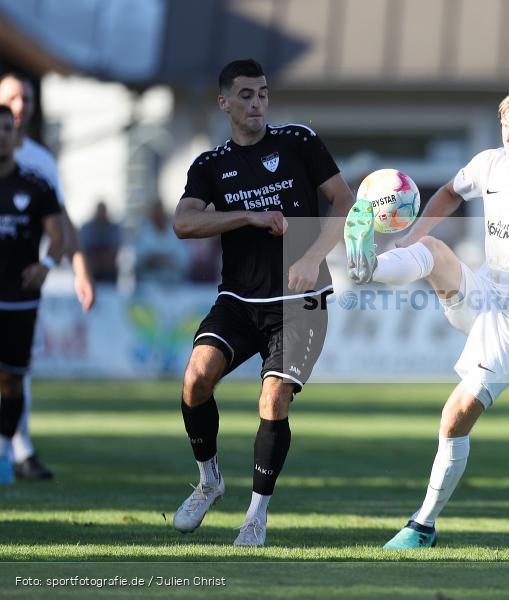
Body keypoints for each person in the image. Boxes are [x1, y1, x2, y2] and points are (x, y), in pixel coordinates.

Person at [345, 83, 509, 549]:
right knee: (431, 248)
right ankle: (368, 264)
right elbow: (451, 193)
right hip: (484, 293)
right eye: (506, 128)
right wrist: (412, 235)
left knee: (454, 418)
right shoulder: (490, 163)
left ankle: (422, 525)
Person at [171, 58, 354, 546]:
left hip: (302, 299)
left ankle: (255, 515)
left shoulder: (298, 141)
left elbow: (344, 200)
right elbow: (184, 223)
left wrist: (313, 256)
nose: (257, 103)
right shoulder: (210, 165)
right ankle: (209, 481)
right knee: (195, 378)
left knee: (273, 399)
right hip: (239, 299)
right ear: (224, 102)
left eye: (264, 94)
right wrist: (246, 217)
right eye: (247, 95)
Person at [0, 71, 95, 481]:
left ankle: (16, 452)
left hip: (19, 291)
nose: (21, 108)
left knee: (14, 376)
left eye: (28, 101)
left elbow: (61, 221)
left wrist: (77, 267)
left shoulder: (40, 165)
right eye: (14, 99)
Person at [0, 104, 64, 484]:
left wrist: (48, 266)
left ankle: (5, 452)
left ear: (14, 133)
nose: (2, 135)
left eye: (6, 128)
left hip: (19, 298)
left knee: (11, 378)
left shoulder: (35, 184)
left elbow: (58, 236)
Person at [133, 198, 189, 284]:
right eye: (156, 212)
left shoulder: (174, 232)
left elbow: (184, 260)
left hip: (173, 284)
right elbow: (138, 260)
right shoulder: (143, 233)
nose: (158, 215)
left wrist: (164, 259)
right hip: (149, 284)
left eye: (160, 211)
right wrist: (155, 259)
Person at [80, 200, 121, 283]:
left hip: (109, 273)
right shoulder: (87, 228)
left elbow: (114, 251)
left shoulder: (114, 228)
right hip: (91, 272)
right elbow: (83, 249)